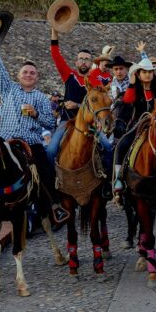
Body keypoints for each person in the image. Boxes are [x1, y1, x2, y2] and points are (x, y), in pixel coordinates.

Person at [0, 48, 58, 205]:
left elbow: (51, 123)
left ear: (37, 78)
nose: (28, 75)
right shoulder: (8, 90)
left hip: (31, 143)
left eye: (32, 73)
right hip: (5, 141)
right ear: (18, 76)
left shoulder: (41, 98)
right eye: (25, 72)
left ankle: (51, 208)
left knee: (46, 171)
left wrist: (36, 114)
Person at [47, 29, 113, 195]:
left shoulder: (96, 82)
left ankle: (108, 183)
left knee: (108, 147)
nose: (84, 62)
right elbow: (55, 55)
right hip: (67, 122)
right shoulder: (69, 75)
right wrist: (55, 33)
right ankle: (51, 184)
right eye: (81, 59)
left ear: (91, 64)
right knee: (50, 150)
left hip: (90, 124)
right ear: (76, 63)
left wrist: (77, 105)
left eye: (87, 60)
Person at [112, 58, 156, 193]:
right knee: (121, 145)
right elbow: (127, 100)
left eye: (150, 72)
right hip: (138, 125)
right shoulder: (135, 89)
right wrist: (132, 85)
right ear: (138, 74)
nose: (148, 74)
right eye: (144, 72)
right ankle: (118, 178)